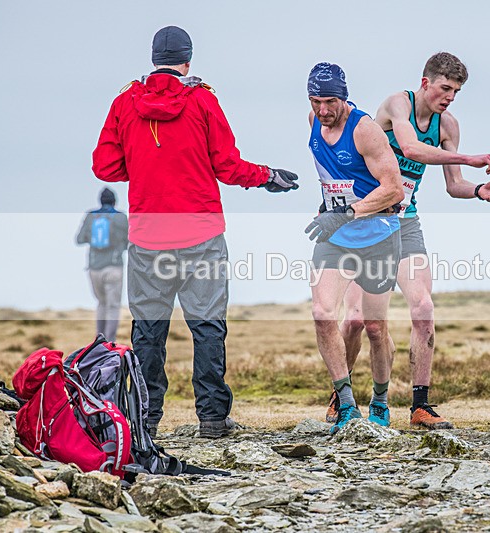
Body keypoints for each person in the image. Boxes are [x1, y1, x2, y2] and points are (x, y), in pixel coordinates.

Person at [92, 26, 299, 439]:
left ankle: (145, 420)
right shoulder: (202, 100)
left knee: (148, 331)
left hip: (148, 238)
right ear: (187, 62)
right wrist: (268, 176)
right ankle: (212, 420)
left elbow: (105, 168)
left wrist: (147, 166)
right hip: (201, 236)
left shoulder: (124, 103)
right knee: (207, 327)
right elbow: (227, 165)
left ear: (153, 60)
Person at [327, 52, 490, 430]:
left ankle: (420, 406)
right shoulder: (397, 105)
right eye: (445, 88)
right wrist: (468, 157)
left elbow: (454, 185)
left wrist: (478, 190)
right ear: (426, 83)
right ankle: (341, 395)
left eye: (456, 91)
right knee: (360, 320)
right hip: (366, 223)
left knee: (423, 309)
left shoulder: (448, 126)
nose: (450, 97)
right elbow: (410, 149)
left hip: (406, 225)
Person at [304, 62, 405, 435]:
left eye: (330, 101)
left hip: (378, 236)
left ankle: (380, 401)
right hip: (335, 238)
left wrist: (345, 212)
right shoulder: (314, 120)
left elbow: (393, 188)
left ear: (344, 98)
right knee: (322, 313)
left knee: (374, 327)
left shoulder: (366, 131)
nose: (323, 110)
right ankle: (346, 403)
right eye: (316, 101)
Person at [76, 187, 129, 342]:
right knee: (113, 306)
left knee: (101, 303)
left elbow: (79, 239)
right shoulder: (121, 218)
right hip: (114, 266)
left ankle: (99, 340)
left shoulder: (91, 216)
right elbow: (129, 241)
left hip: (94, 268)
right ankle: (109, 342)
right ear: (115, 201)